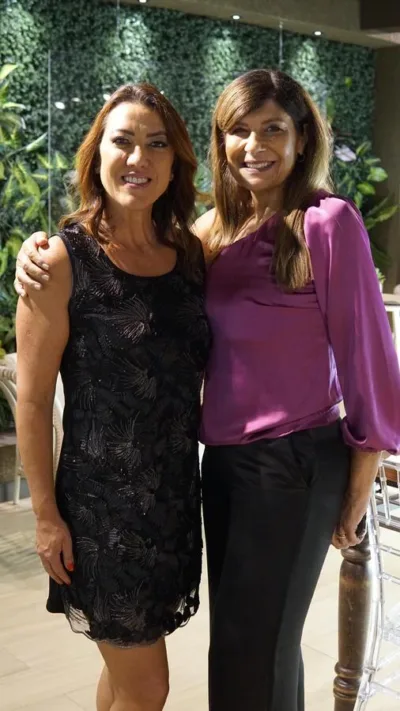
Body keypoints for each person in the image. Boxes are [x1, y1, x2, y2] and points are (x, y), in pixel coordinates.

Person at [14, 69, 400, 711]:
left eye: (272, 129)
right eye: (238, 131)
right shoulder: (210, 234)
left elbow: (370, 361)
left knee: (254, 652)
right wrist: (37, 252)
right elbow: (44, 382)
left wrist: (361, 482)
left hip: (289, 461)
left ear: (302, 138)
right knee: (236, 652)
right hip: (200, 473)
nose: (255, 145)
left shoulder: (321, 222)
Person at [15, 82, 210, 711]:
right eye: (123, 141)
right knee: (148, 686)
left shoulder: (189, 255)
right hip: (101, 513)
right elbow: (33, 402)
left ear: (176, 162)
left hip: (172, 502)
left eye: (157, 144)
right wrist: (46, 516)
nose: (138, 158)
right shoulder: (59, 261)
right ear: (97, 154)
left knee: (126, 672)